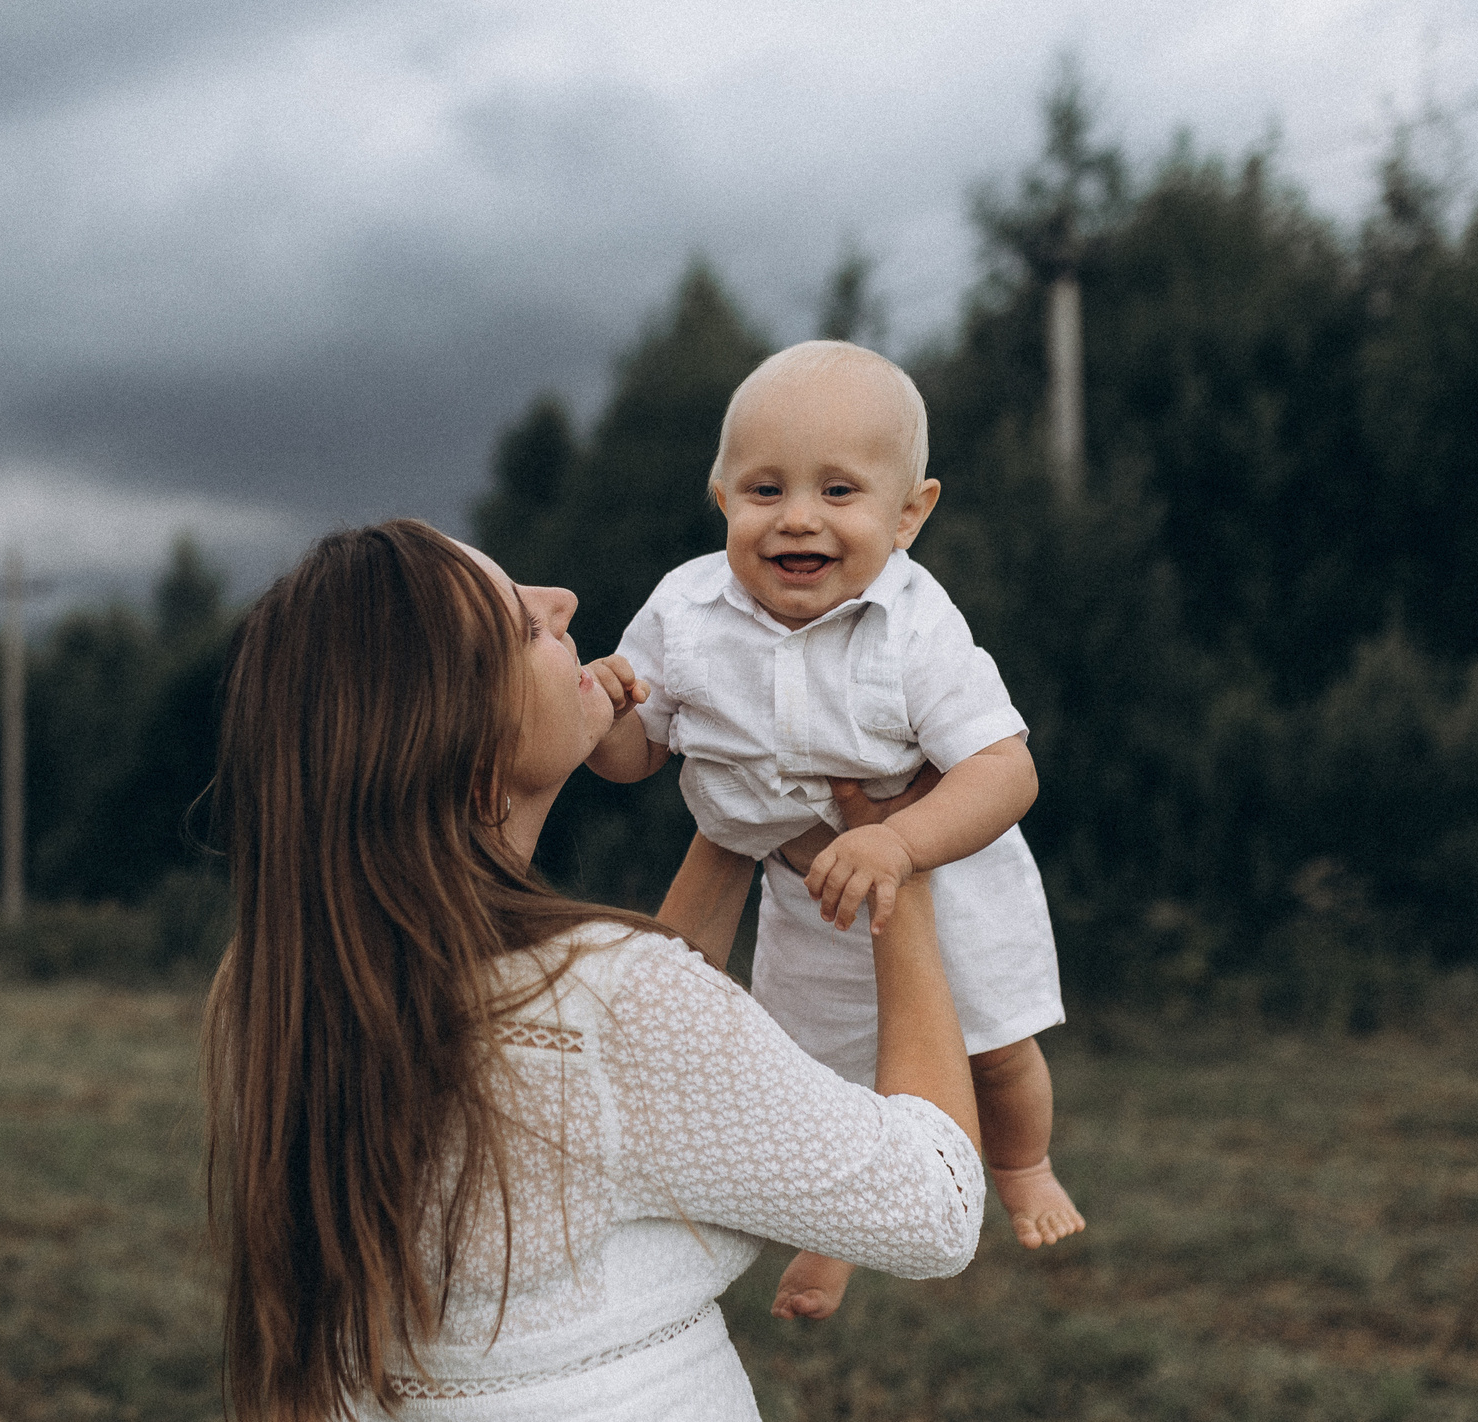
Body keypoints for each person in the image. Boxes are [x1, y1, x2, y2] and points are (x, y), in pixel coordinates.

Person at [204, 519, 983, 1422]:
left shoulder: (291, 992)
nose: (563, 601)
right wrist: (900, 866)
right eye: (523, 626)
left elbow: (629, 1080)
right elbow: (936, 1207)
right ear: (473, 756)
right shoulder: (610, 1000)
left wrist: (737, 809)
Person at [584, 340, 1083, 1322]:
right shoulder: (685, 613)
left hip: (945, 875)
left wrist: (901, 842)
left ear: (909, 514)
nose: (798, 517)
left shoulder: (915, 625)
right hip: (807, 894)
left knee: (995, 1048)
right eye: (765, 489)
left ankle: (1024, 1165)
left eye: (839, 491)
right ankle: (835, 1236)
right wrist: (607, 716)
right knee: (819, 1082)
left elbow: (1005, 767)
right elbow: (638, 755)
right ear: (722, 498)